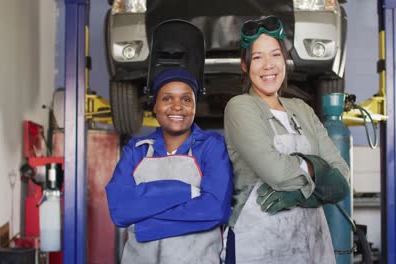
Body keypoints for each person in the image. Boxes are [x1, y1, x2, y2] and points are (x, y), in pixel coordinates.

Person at [223, 16, 350, 263]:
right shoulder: (241, 107)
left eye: (275, 55)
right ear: (244, 65)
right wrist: (318, 168)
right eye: (258, 57)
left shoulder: (302, 109)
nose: (268, 65)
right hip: (257, 245)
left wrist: (299, 195)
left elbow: (342, 179)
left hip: (311, 245)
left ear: (285, 60)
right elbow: (276, 172)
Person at [106, 68, 233, 264]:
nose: (177, 107)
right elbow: (121, 210)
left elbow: (216, 209)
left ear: (195, 106)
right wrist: (186, 191)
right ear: (154, 105)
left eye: (186, 99)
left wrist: (146, 226)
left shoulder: (211, 146)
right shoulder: (136, 150)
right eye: (167, 99)